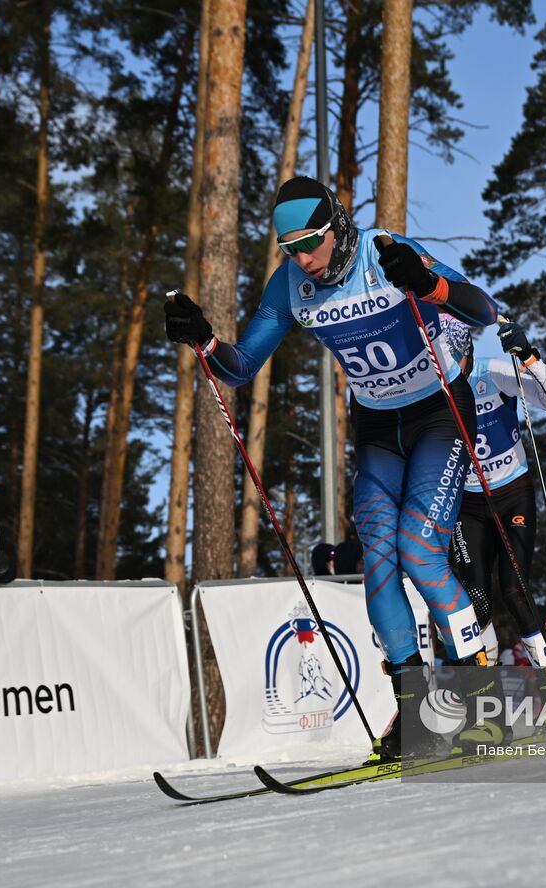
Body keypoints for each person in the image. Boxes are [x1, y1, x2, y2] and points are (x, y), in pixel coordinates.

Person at [162, 175, 500, 760]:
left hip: (438, 410)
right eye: (289, 249)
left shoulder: (383, 251)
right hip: (376, 424)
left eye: (311, 243)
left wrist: (430, 285)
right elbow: (241, 367)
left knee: (421, 553)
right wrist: (206, 342)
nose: (302, 259)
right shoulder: (292, 283)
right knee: (378, 567)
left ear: (338, 226)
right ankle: (415, 718)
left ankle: (484, 706)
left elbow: (484, 309)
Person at [444, 314, 546, 722]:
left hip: (513, 494)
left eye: (452, 359)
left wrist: (529, 357)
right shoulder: (434, 385)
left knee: (514, 592)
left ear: (467, 351)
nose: (447, 369)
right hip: (468, 503)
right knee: (475, 603)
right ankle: (490, 714)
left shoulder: (492, 372)